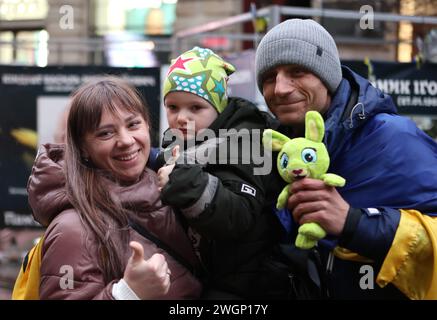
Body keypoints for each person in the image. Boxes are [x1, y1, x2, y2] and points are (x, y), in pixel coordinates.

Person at [255, 18, 437, 299]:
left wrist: (354, 222)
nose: (280, 88)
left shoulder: (393, 138)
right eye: (269, 77)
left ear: (327, 77)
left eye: (297, 71)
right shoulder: (275, 151)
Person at [26, 77, 202, 299]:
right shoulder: (72, 229)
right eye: (106, 133)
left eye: (133, 124)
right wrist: (128, 293)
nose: (126, 140)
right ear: (83, 148)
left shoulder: (171, 189)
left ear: (148, 125)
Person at [156, 47, 290, 299]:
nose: (181, 118)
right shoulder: (183, 143)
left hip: (245, 286)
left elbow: (239, 214)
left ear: (219, 108)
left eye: (195, 108)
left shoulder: (245, 142)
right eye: (173, 107)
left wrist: (182, 181)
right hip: (203, 279)